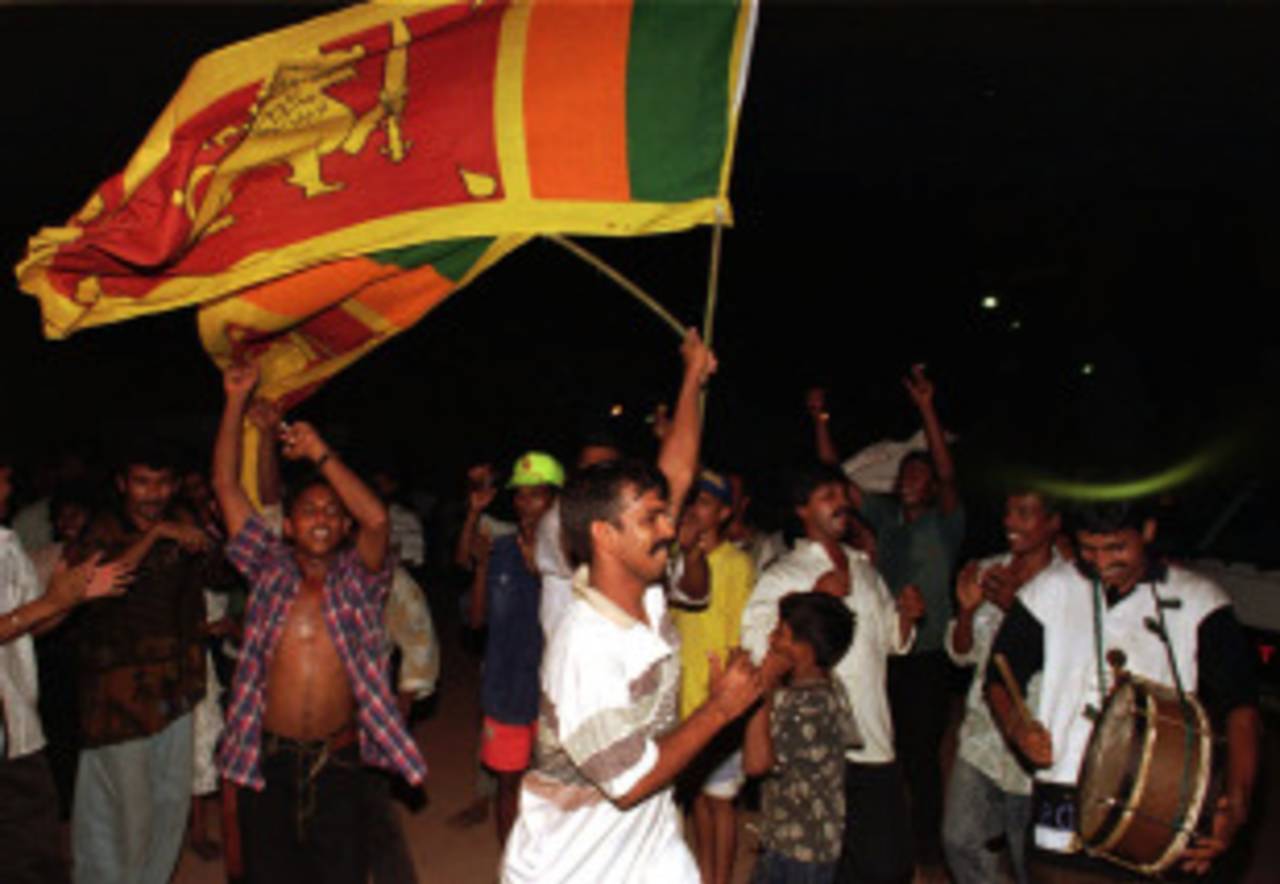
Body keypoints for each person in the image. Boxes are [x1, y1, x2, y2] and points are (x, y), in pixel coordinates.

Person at [212, 362, 426, 884]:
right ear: (288, 525)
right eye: (309, 510)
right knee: (270, 872)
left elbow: (376, 519)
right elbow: (224, 484)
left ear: (344, 525)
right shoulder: (266, 566)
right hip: (269, 758)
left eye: (332, 511)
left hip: (339, 759)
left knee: (341, 872)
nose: (322, 518)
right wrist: (235, 400)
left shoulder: (360, 579)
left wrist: (321, 455)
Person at [500, 459, 763, 884]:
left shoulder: (652, 599)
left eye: (666, 515)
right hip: (571, 867)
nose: (668, 530)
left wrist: (694, 389)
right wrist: (718, 710)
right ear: (604, 535)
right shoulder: (585, 646)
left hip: (651, 855)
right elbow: (629, 782)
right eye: (650, 519)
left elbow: (679, 466)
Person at [986, 497, 1261, 882]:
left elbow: (1241, 707)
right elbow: (999, 675)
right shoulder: (1050, 590)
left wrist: (1238, 802)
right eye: (1088, 549)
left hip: (1158, 804)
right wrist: (1017, 728)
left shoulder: (1200, 601)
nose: (1101, 563)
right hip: (1062, 802)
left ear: (1147, 532)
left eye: (1116, 548)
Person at [808, 368, 963, 875]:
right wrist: (820, 419)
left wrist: (926, 409)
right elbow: (836, 476)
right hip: (889, 648)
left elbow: (946, 474)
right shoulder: (886, 522)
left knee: (920, 753)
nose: (913, 479)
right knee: (887, 748)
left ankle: (927, 846)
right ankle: (888, 836)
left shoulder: (946, 523)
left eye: (920, 475)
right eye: (906, 475)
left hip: (930, 652)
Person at [741, 462, 924, 884]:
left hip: (874, 739)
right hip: (820, 753)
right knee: (826, 865)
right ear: (802, 510)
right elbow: (757, 650)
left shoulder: (865, 569)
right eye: (828, 497)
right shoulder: (784, 575)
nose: (842, 504)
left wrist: (908, 618)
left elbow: (890, 644)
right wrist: (814, 600)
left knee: (889, 866)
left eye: (843, 495)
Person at [69, 441, 234, 884]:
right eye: (142, 482)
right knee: (122, 813)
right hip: (117, 701)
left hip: (176, 690)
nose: (153, 493)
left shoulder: (183, 523)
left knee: (170, 803)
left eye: (162, 483)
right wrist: (155, 535)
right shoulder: (100, 528)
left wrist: (217, 533)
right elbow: (94, 585)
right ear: (123, 484)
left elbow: (221, 575)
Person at [1, 453, 130, 884]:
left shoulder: (6, 545)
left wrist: (71, 600)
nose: (5, 490)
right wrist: (51, 602)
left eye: (5, 479)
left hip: (19, 729)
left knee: (36, 855)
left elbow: (27, 626)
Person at [941, 490, 1063, 884]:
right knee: (959, 839)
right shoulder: (989, 570)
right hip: (981, 735)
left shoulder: (1069, 586)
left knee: (1028, 858)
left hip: (1034, 742)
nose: (1011, 522)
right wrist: (966, 611)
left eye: (1025, 514)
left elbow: (1069, 659)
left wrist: (1018, 611)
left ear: (1053, 523)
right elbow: (961, 654)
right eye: (1009, 512)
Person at [470, 450, 564, 846]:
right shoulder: (502, 548)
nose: (527, 504)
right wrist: (479, 560)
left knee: (554, 789)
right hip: (507, 687)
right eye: (521, 495)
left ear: (556, 500)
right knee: (508, 783)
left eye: (537, 494)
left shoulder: (574, 554)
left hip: (556, 691)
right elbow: (476, 620)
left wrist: (541, 571)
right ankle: (510, 865)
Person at [669, 468, 756, 884]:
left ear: (723, 513)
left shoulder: (737, 563)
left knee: (722, 801)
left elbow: (741, 638)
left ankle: (719, 876)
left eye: (705, 502)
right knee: (699, 798)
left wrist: (733, 704)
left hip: (719, 700)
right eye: (692, 500)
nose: (694, 510)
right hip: (684, 699)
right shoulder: (675, 558)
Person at [743, 591, 859, 884]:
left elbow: (756, 762)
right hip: (795, 842)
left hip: (800, 853)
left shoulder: (807, 707)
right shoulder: (826, 686)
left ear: (805, 650)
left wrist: (763, 690)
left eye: (780, 633)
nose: (771, 639)